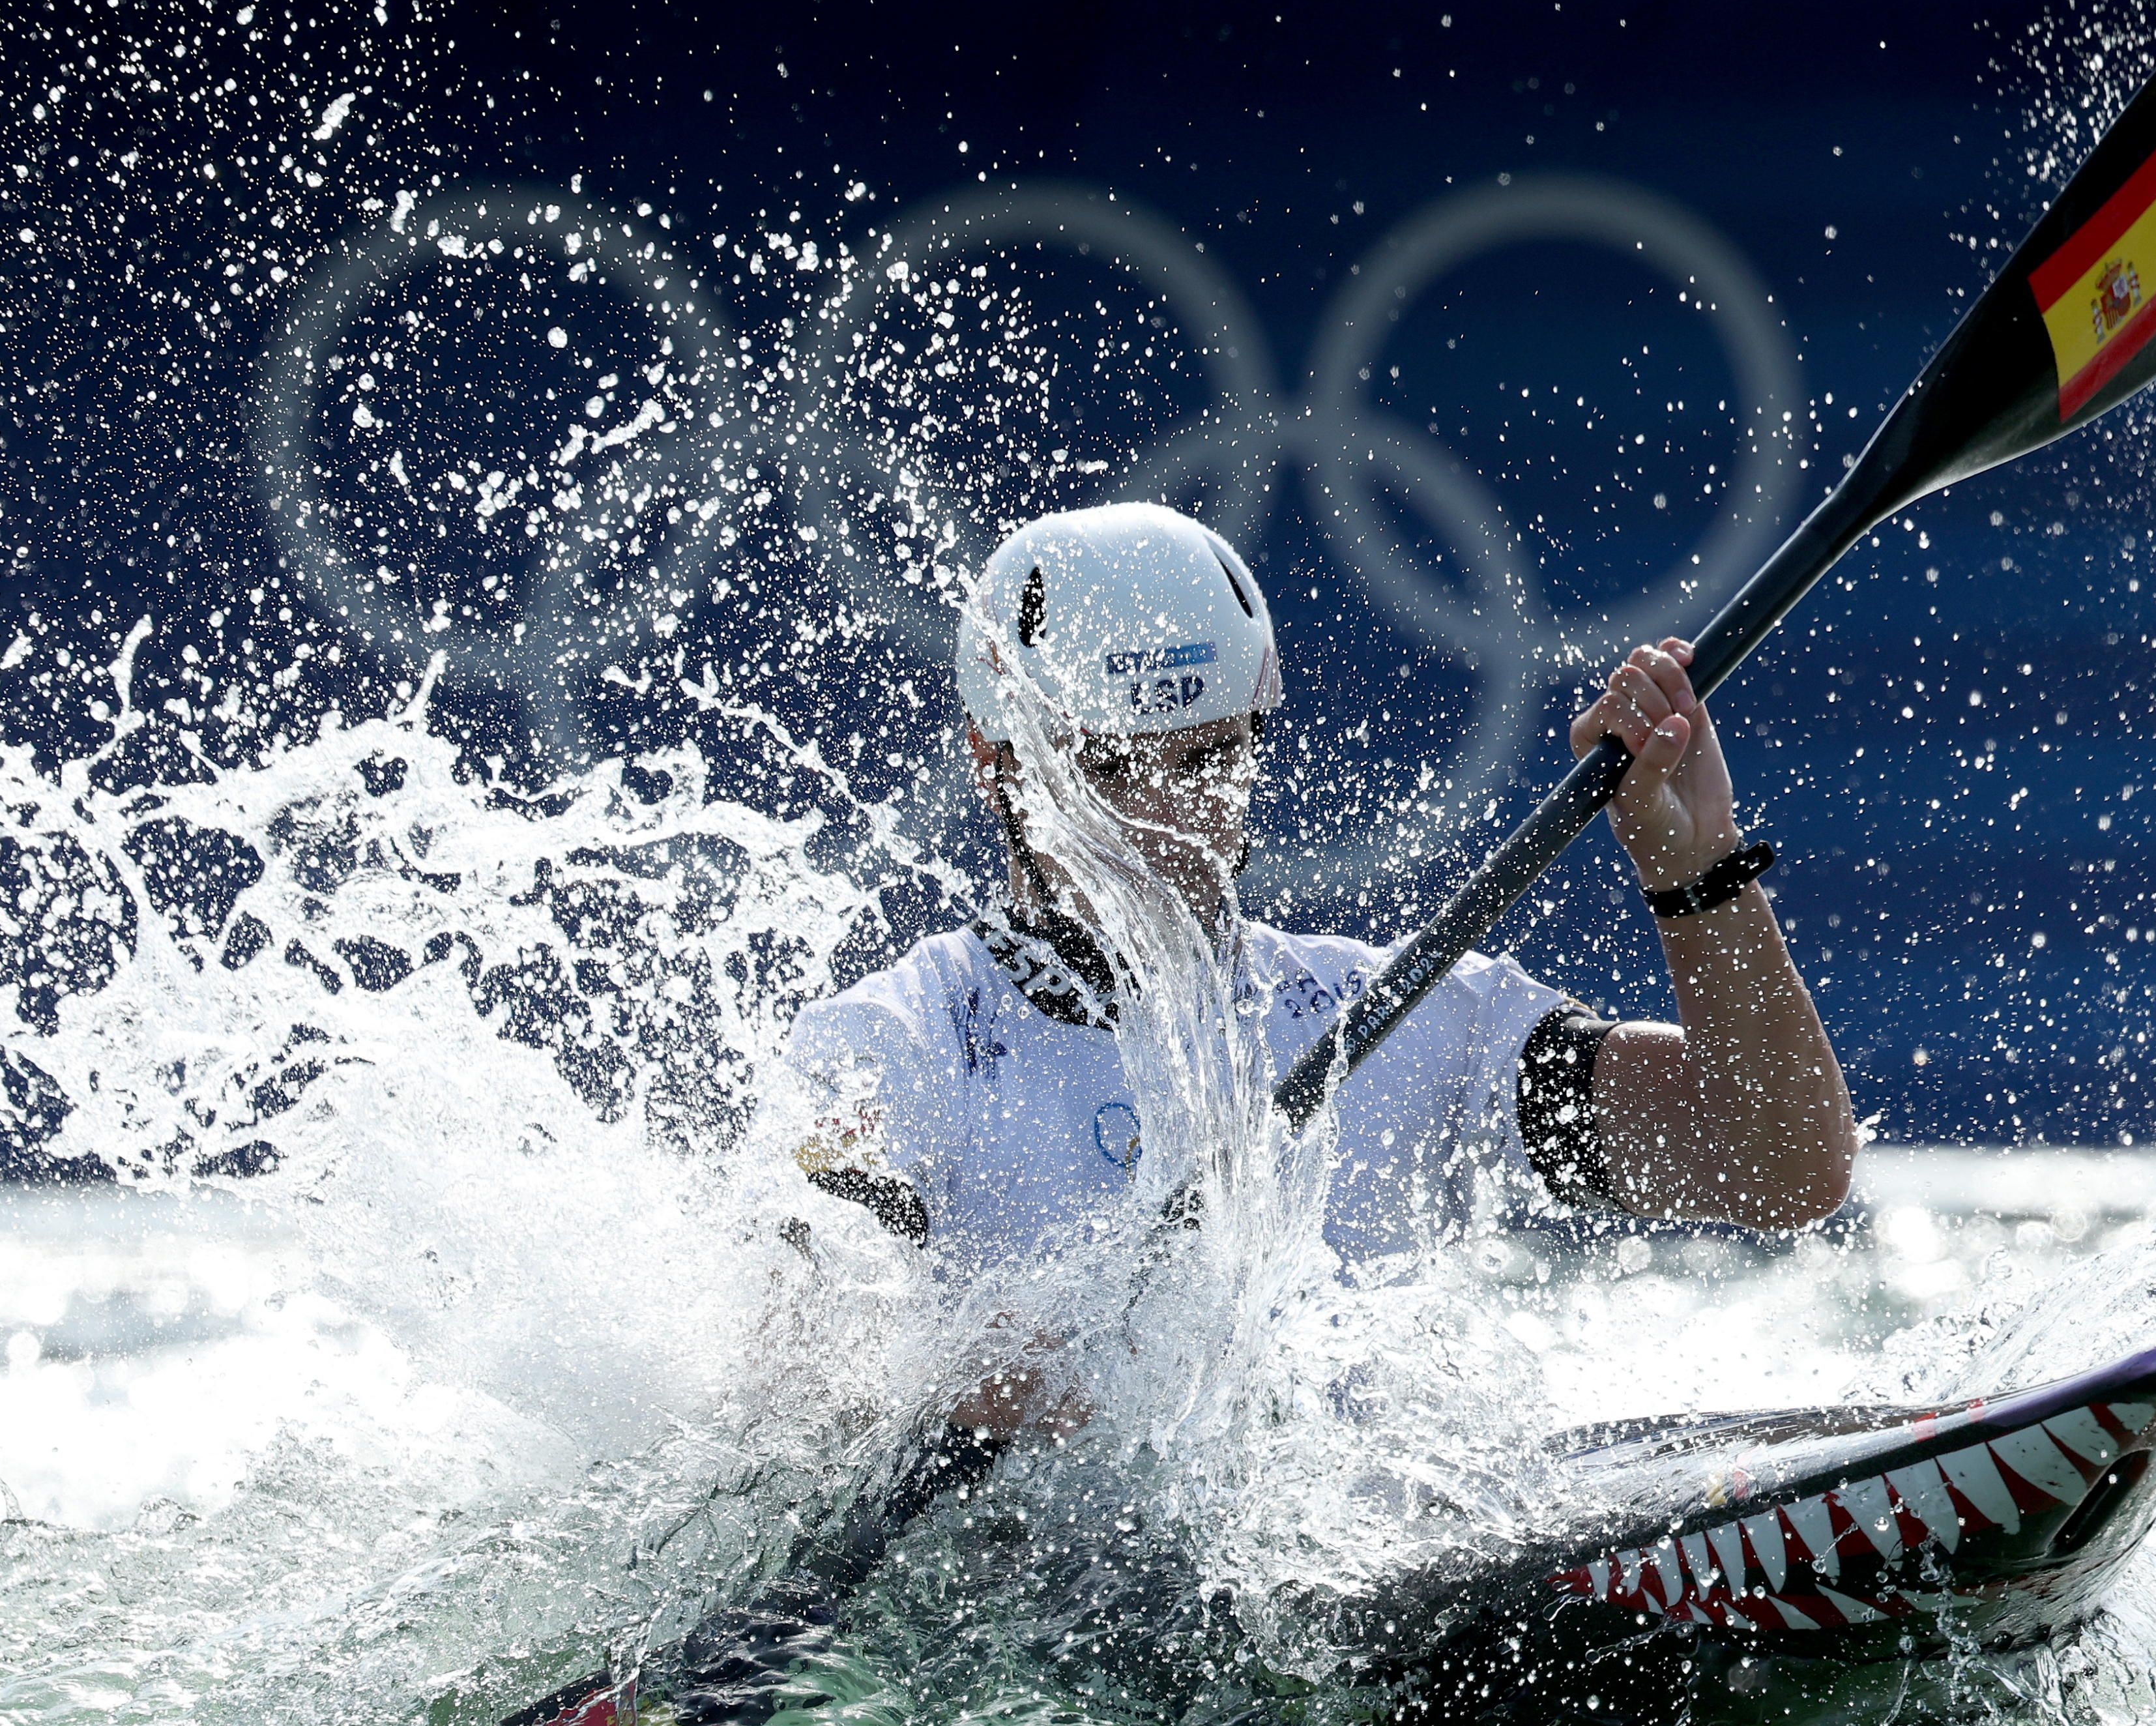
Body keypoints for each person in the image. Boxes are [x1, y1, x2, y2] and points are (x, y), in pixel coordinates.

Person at [788, 501, 1854, 1285]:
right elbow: (797, 1367)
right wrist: (959, 1374)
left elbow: (1778, 1168)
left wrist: (1697, 873)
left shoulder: (1400, 1015)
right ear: (999, 764)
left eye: (1205, 761)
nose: (1170, 824)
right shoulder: (905, 1044)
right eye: (1111, 770)